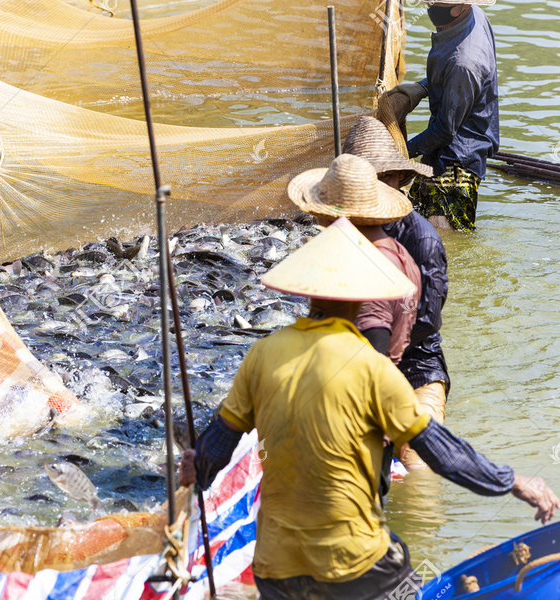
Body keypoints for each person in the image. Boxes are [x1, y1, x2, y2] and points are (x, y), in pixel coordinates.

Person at [178, 214, 559, 599]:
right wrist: (513, 481)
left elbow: (215, 447)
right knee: (406, 587)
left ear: (310, 291)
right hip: (354, 564)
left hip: (275, 567)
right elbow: (442, 452)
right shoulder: (371, 368)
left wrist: (198, 468)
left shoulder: (263, 354)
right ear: (364, 297)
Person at [343, 116, 450, 469]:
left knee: (420, 467)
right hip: (355, 364)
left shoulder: (421, 240)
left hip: (415, 366)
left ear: (398, 178)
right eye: (367, 180)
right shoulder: (342, 230)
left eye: (384, 178)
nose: (378, 187)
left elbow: (426, 322)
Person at [287, 154, 421, 367]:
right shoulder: (399, 252)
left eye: (318, 212)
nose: (316, 219)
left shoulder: (366, 269)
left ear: (332, 217)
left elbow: (372, 355)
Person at [387, 0, 499, 232]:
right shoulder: (472, 16)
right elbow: (454, 81)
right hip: (441, 151)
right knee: (412, 224)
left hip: (457, 164)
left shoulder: (465, 63)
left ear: (463, 7)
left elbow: (444, 131)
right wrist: (423, 87)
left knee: (442, 239)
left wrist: (400, 153)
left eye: (439, 3)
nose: (431, 7)